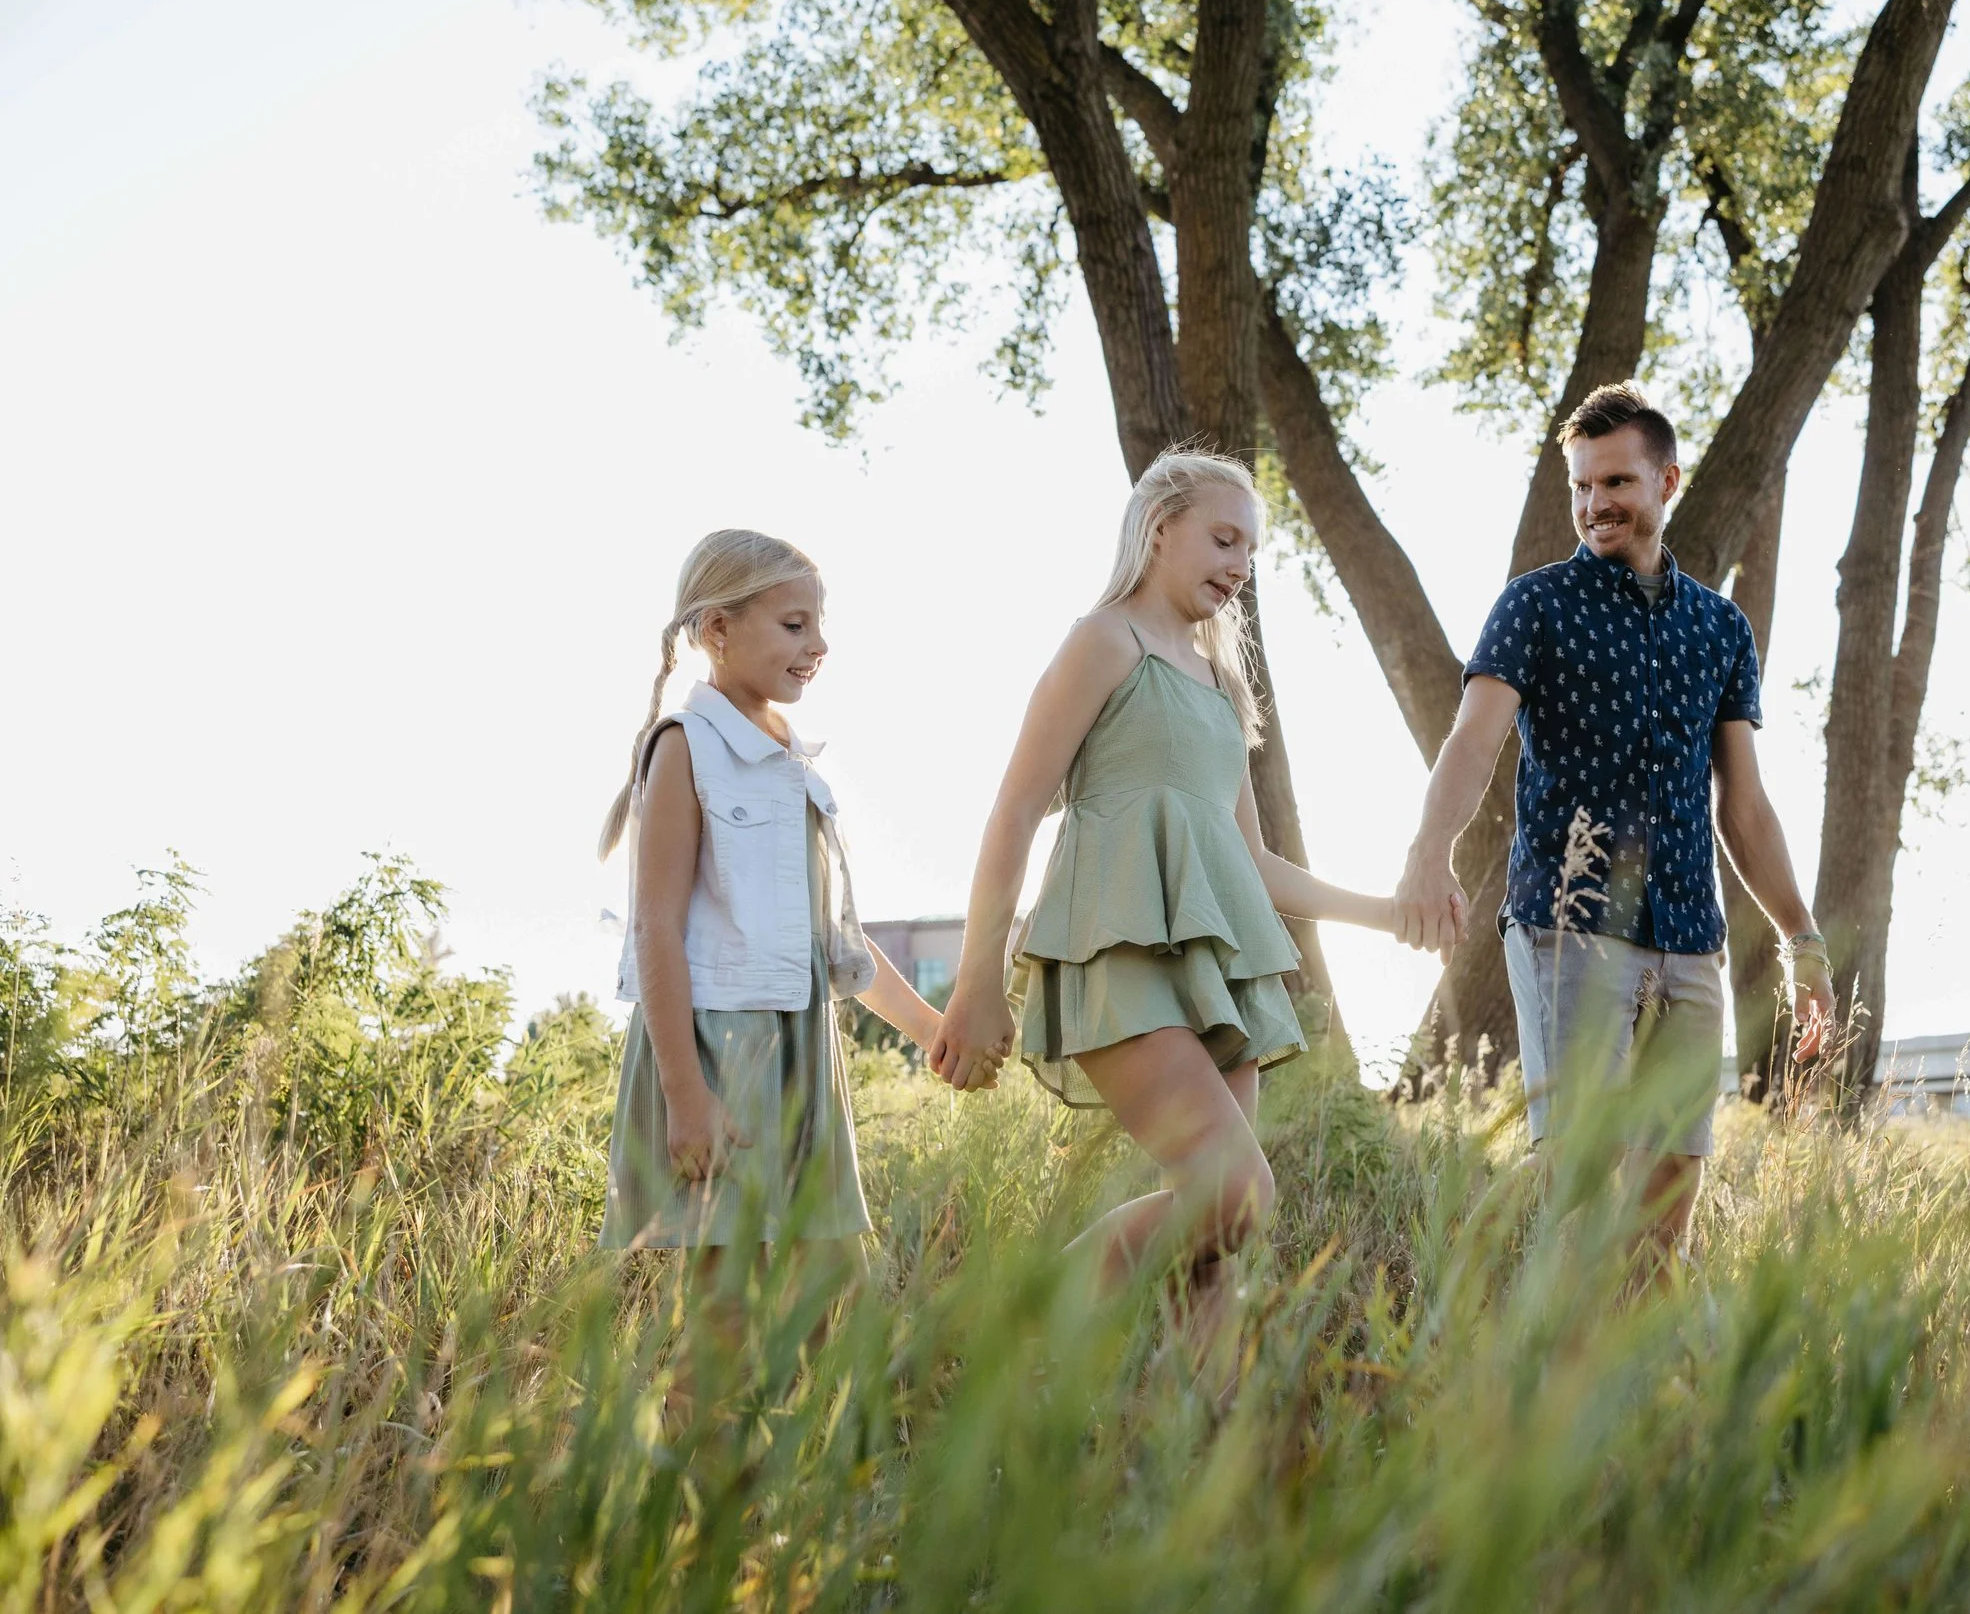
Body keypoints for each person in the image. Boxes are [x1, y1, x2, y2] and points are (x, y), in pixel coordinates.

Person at [927, 449, 1430, 1329]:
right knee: (1236, 1195)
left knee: (1213, 1245)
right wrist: (976, 983)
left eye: (1251, 553)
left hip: (1215, 967)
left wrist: (1384, 915)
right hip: (1114, 951)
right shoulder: (1102, 640)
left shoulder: (1220, 682)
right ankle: (1008, 1336)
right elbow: (1014, 810)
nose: (1239, 566)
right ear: (1159, 530)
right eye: (1224, 539)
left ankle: (1198, 1443)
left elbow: (1254, 863)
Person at [1393, 383, 1836, 1276]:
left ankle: (1633, 1387)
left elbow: (1742, 807)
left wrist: (1804, 938)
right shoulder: (1536, 605)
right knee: (1578, 1168)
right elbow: (1474, 742)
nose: (1596, 504)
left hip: (1687, 936)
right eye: (1582, 486)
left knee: (1671, 1186)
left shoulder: (1719, 628)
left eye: (1617, 483)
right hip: (1568, 925)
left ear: (1666, 481)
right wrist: (1426, 853)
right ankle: (1480, 1304)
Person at [597, 529, 946, 1416]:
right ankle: (685, 1517)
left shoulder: (799, 769)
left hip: (803, 1058)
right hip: (719, 1055)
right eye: (794, 625)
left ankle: (798, 1517)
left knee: (832, 1299)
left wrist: (936, 1034)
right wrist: (686, 1096)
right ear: (718, 627)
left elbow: (842, 949)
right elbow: (656, 933)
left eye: (818, 626)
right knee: (725, 1318)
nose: (816, 646)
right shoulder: (685, 747)